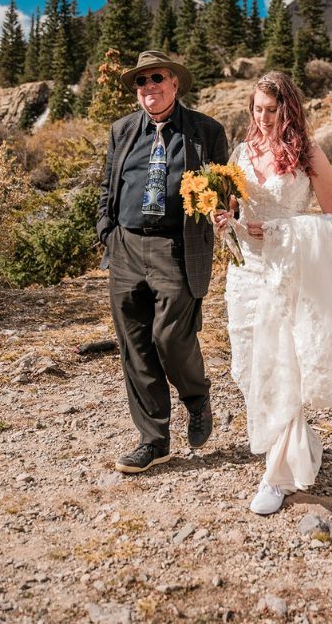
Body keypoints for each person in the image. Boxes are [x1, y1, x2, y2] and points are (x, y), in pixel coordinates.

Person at [213, 71, 332, 514]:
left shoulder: (309, 155)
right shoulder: (241, 152)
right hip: (246, 273)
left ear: (289, 109)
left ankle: (277, 477)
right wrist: (225, 222)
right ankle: (300, 443)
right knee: (248, 368)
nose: (263, 118)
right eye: (257, 109)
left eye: (272, 110)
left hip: (289, 271)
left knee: (284, 365)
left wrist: (280, 229)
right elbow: (236, 214)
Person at [96, 50, 228, 474]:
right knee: (135, 346)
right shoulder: (121, 131)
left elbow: (225, 191)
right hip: (127, 248)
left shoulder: (206, 131)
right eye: (141, 81)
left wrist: (226, 209)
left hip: (177, 247)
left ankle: (196, 396)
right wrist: (108, 232)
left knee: (171, 337)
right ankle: (153, 441)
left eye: (156, 78)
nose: (148, 87)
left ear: (174, 84)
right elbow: (108, 186)